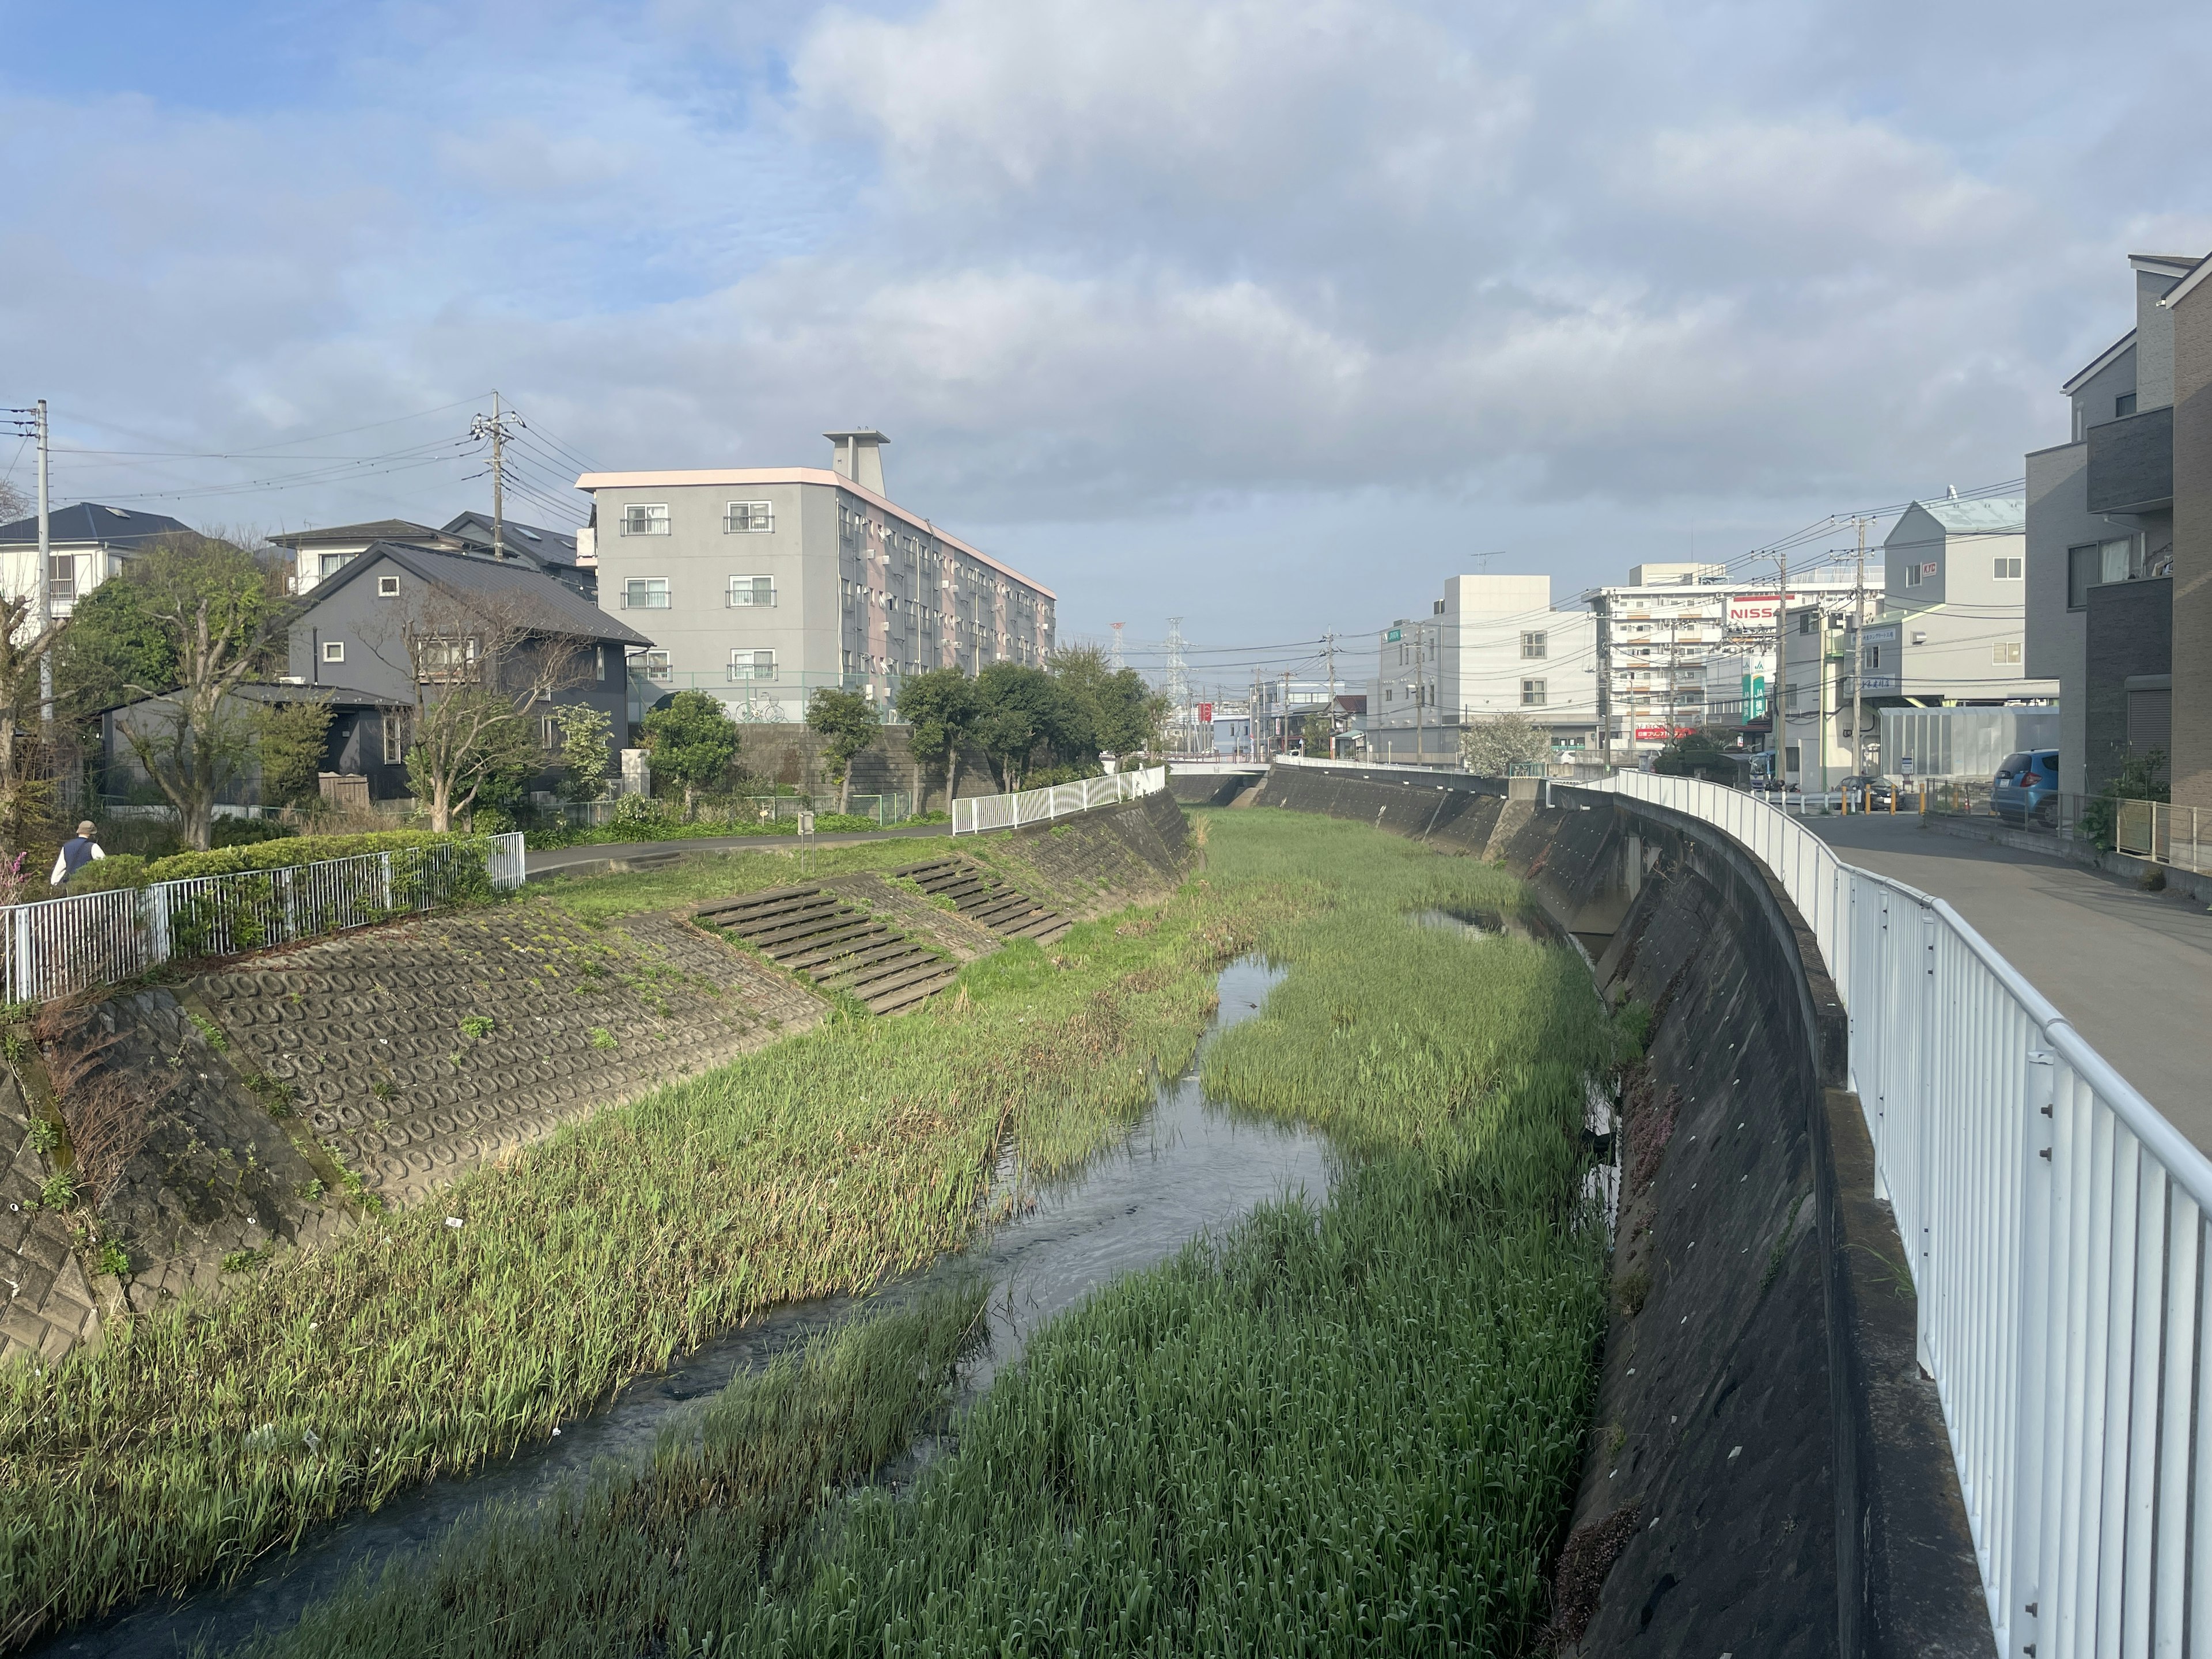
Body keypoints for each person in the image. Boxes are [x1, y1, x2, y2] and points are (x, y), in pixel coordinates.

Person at [50, 820, 105, 888]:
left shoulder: (66, 847)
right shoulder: (93, 847)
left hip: (71, 888)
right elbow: (104, 867)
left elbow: (59, 870)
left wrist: (54, 884)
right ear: (92, 834)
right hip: (88, 888)